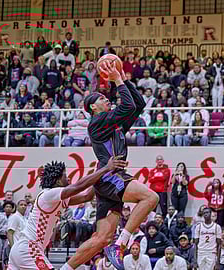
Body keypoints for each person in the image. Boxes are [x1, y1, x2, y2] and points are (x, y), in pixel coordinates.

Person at [62, 62, 159, 270]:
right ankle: (121, 244)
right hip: (110, 177)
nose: (107, 99)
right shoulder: (97, 123)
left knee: (101, 238)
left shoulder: (114, 123)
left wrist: (123, 78)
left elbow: (138, 104)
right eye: (102, 98)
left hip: (105, 180)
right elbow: (128, 107)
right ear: (93, 107)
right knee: (151, 197)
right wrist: (117, 80)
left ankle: (65, 268)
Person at [8, 157, 128, 270]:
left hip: (21, 249)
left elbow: (87, 196)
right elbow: (78, 186)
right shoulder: (49, 194)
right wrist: (106, 168)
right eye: (66, 176)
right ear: (58, 180)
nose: (69, 179)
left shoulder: (55, 198)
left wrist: (102, 174)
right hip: (29, 248)